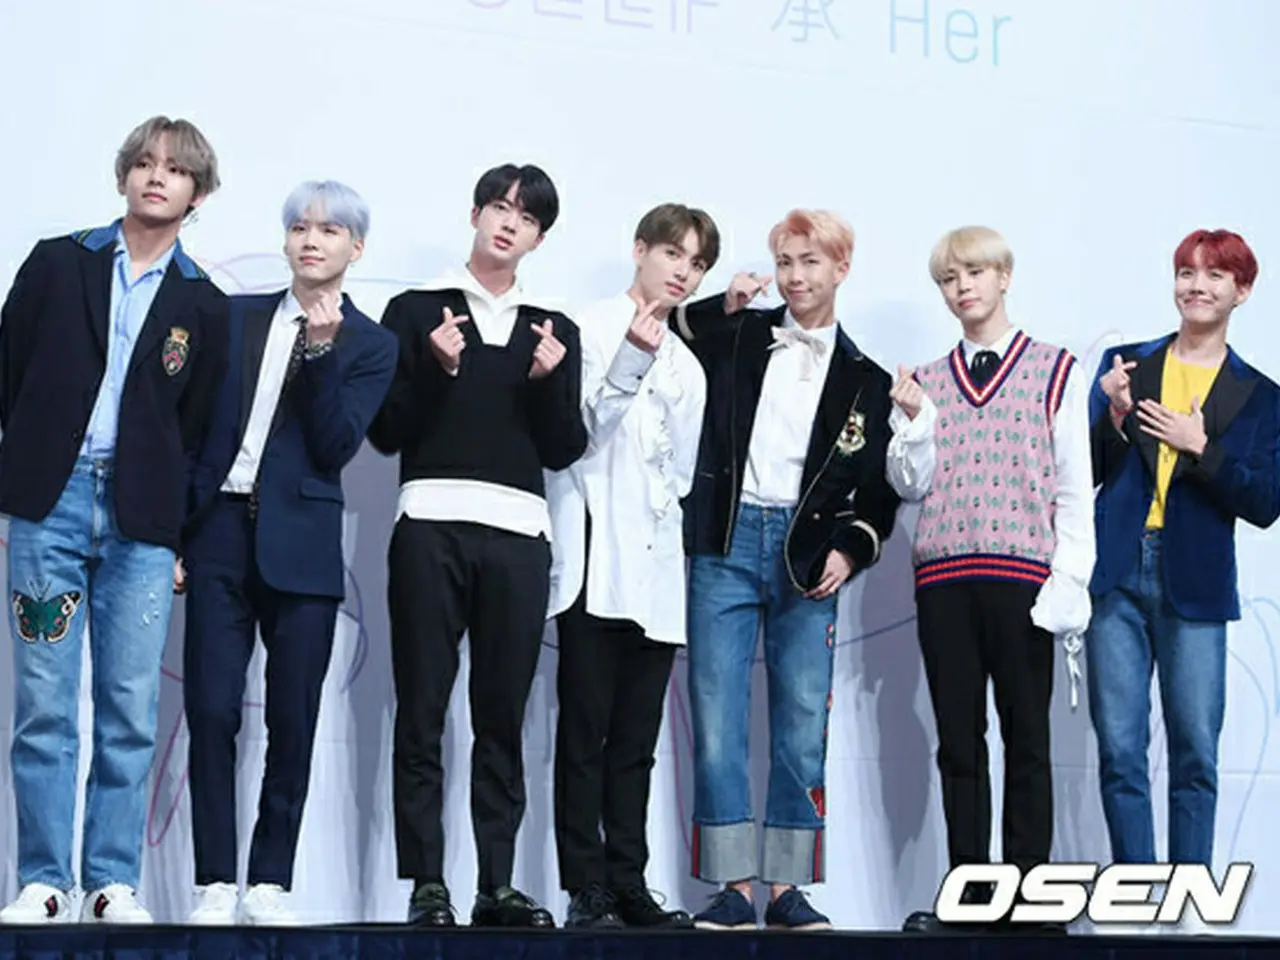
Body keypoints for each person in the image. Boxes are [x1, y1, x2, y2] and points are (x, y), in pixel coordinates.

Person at [0, 115, 228, 924]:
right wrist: (22, 478)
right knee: (45, 704)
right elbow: (9, 372)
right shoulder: (58, 262)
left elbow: (201, 432)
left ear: (197, 193)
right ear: (125, 175)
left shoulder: (204, 303)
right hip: (50, 505)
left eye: (175, 169)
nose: (156, 176)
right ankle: (43, 879)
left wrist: (178, 533)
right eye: (144, 163)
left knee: (130, 708)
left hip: (143, 525)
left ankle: (109, 882)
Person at [367, 163, 588, 929]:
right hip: (429, 523)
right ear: (475, 214)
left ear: (538, 238)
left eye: (525, 217)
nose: (508, 223)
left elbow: (562, 449)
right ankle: (427, 881)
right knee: (422, 708)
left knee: (502, 716)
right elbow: (387, 431)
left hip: (519, 534)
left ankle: (497, 883)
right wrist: (440, 368)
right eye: (498, 207)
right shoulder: (415, 310)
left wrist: (548, 382)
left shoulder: (554, 328)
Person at [669, 209, 901, 930]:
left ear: (841, 268)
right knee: (716, 717)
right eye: (785, 261)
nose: (796, 277)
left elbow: (880, 493)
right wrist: (725, 304)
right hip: (726, 540)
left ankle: (786, 890)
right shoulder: (739, 333)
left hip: (808, 554)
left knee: (802, 721)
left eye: (810, 262)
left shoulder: (868, 379)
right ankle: (734, 886)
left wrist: (851, 549)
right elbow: (671, 332)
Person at [180, 181, 397, 925]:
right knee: (211, 711)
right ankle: (214, 880)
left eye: (329, 230)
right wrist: (179, 532)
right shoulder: (234, 317)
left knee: (293, 719)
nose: (311, 240)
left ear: (356, 248)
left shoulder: (373, 344)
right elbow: (191, 430)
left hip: (302, 547)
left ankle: (269, 880)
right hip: (217, 533)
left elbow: (336, 446)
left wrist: (324, 353)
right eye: (300, 227)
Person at [886, 225, 1094, 934]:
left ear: (1004, 277)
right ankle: (970, 895)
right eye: (949, 279)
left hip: (1024, 579)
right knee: (958, 741)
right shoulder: (924, 382)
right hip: (944, 577)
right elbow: (909, 484)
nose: (962, 288)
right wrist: (913, 422)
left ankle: (1030, 893)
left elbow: (1074, 486)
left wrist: (1069, 581)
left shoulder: (1055, 370)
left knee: (1027, 739)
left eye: (974, 273)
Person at [1087, 230, 1279, 897]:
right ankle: (1136, 895)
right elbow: (1084, 468)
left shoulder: (1260, 395)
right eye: (1186, 273)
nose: (1197, 286)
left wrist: (1202, 448)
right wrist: (1113, 416)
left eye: (1215, 276)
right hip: (1116, 573)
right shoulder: (1127, 366)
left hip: (1195, 580)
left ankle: (1190, 898)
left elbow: (1264, 502)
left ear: (1241, 291)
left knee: (1195, 748)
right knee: (1119, 747)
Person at [544, 203, 720, 929]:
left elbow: (680, 475)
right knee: (584, 735)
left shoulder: (690, 366)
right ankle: (584, 884)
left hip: (656, 570)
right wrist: (629, 362)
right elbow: (576, 439)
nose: (683, 272)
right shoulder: (584, 328)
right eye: (673, 253)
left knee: (637, 743)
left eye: (697, 263)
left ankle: (628, 879)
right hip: (594, 558)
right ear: (640, 249)